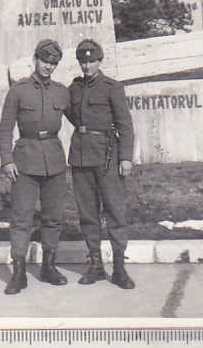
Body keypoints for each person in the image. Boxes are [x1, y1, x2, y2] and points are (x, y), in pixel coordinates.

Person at [0, 39, 70, 294]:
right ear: (35, 59)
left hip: (54, 160)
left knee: (53, 219)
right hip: (25, 161)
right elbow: (5, 127)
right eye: (45, 61)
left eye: (53, 63)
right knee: (21, 219)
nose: (48, 66)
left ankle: (48, 267)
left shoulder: (62, 92)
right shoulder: (18, 91)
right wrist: (7, 160)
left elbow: (81, 117)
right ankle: (18, 274)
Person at [66, 38, 136, 289]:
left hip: (107, 156)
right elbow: (71, 116)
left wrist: (125, 157)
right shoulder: (73, 88)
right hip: (80, 155)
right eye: (83, 62)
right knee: (87, 214)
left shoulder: (112, 88)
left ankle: (119, 268)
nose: (87, 66)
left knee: (115, 212)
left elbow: (125, 125)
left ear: (100, 61)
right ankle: (96, 265)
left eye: (92, 61)